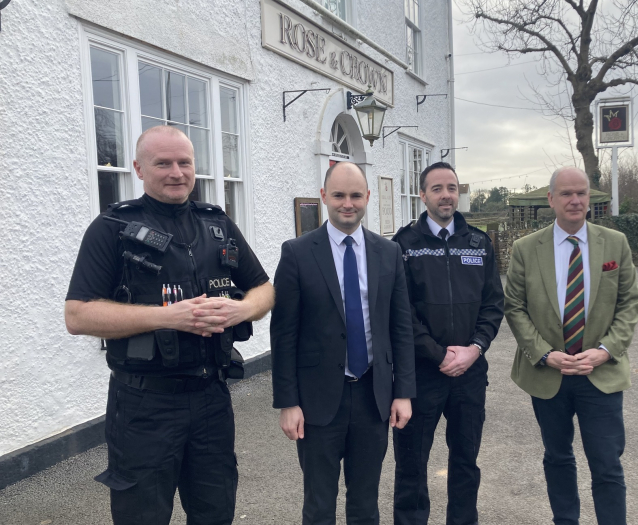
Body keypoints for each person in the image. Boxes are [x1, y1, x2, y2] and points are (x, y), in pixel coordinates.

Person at [64, 125, 275, 525]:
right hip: (145, 405)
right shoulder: (112, 229)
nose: (176, 172)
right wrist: (166, 316)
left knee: (215, 512)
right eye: (163, 163)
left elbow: (264, 289)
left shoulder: (217, 225)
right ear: (139, 169)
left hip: (212, 398)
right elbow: (77, 315)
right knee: (142, 515)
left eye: (184, 162)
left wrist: (241, 310)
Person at [271, 161, 416, 525]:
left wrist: (403, 392)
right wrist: (287, 402)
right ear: (324, 197)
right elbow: (284, 333)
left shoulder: (389, 253)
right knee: (319, 503)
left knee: (365, 503)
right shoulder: (297, 253)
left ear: (367, 197)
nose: (347, 203)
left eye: (355, 195)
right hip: (318, 400)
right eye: (338, 195)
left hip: (373, 395)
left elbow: (400, 327)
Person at [504, 167, 638, 525]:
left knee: (607, 464)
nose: (575, 200)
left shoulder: (615, 244)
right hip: (549, 376)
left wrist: (606, 350)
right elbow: (515, 307)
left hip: (600, 372)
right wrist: (545, 354)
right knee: (558, 457)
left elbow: (629, 303)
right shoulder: (525, 249)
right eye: (566, 193)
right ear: (551, 199)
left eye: (582, 193)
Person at [392, 162, 504, 525]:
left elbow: (493, 304)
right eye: (437, 188)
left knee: (466, 463)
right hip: (422, 374)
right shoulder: (403, 245)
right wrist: (438, 354)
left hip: (470, 374)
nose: (446, 195)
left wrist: (475, 349)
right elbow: (401, 312)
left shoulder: (479, 242)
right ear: (422, 195)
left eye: (452, 188)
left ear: (459, 193)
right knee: (411, 465)